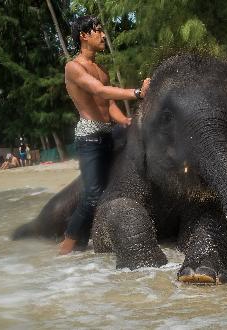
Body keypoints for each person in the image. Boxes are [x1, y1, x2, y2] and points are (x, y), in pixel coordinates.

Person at [58, 15, 150, 255]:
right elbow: (98, 90)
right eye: (97, 31)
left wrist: (126, 121)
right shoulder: (74, 67)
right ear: (83, 35)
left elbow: (106, 102)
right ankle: (65, 249)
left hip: (109, 133)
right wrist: (138, 92)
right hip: (89, 137)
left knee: (111, 186)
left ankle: (85, 244)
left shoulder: (101, 69)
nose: (103, 35)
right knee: (93, 194)